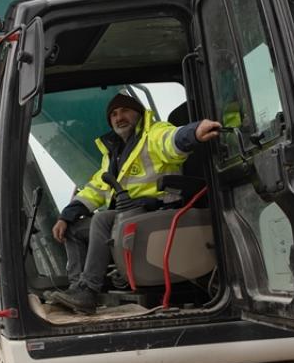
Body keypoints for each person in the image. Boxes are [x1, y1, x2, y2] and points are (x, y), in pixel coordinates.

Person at [47, 91, 222, 314]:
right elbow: (97, 188)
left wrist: (193, 133)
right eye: (114, 114)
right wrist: (66, 216)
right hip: (126, 215)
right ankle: (77, 289)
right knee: (73, 229)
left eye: (125, 111)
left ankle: (89, 289)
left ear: (138, 114)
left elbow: (171, 140)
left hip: (155, 210)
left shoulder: (153, 134)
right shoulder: (113, 153)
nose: (119, 117)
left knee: (101, 219)